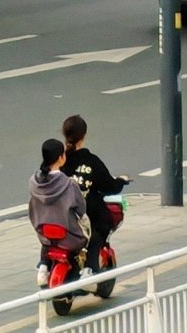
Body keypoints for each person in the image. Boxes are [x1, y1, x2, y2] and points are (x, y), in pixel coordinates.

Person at [59, 114, 127, 270]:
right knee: (102, 226)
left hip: (60, 212)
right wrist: (121, 181)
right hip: (85, 214)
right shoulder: (91, 161)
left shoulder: (59, 159)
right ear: (84, 135)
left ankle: (44, 265)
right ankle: (90, 266)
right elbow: (109, 186)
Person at [28, 135, 86, 274]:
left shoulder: (34, 182)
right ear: (61, 158)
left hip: (44, 232)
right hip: (68, 235)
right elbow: (81, 208)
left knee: (48, 244)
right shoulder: (69, 184)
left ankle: (43, 265)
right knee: (85, 239)